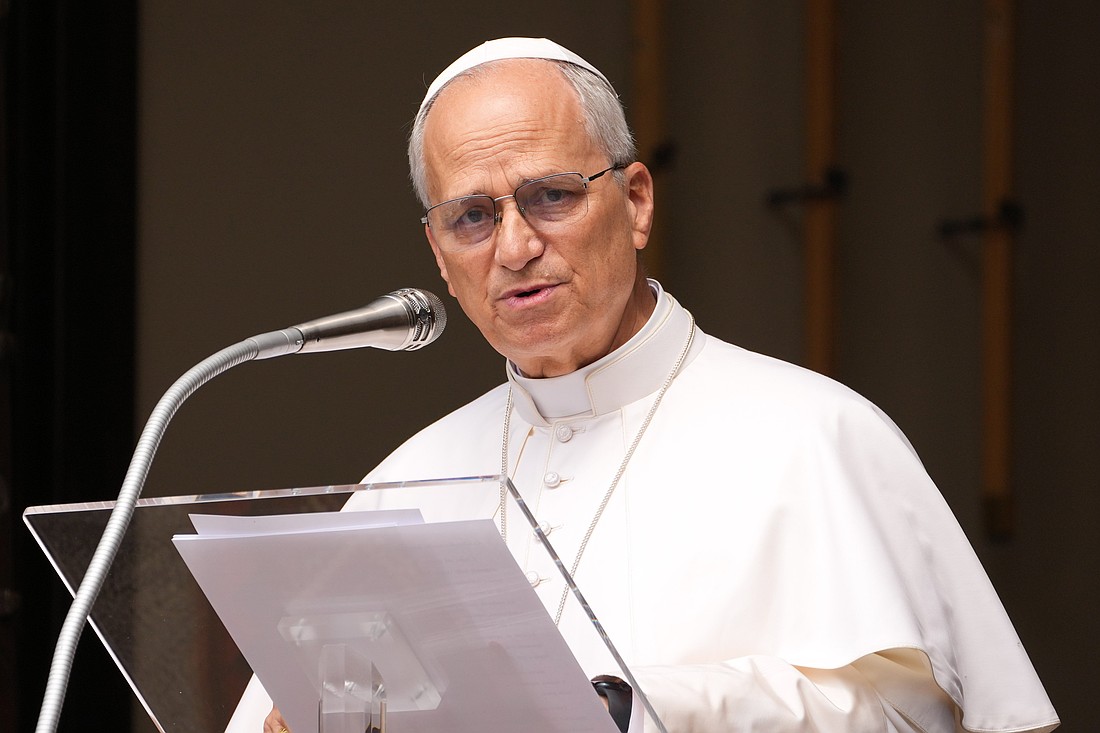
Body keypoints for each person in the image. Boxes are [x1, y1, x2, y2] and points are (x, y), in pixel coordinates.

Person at [246, 37, 1058, 733]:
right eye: (473, 216)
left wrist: (637, 708)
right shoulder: (404, 483)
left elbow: (927, 714)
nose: (516, 245)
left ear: (635, 201)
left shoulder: (818, 434)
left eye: (550, 196)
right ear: (438, 256)